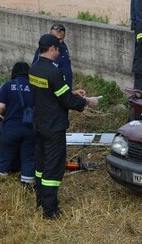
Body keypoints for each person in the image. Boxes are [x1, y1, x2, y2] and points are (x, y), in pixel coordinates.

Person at [29, 34, 100, 219]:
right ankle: (50, 210)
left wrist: (72, 92)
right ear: (52, 48)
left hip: (38, 124)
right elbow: (67, 101)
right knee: (53, 168)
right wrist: (86, 101)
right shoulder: (54, 72)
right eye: (58, 49)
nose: (59, 52)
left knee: (40, 165)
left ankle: (40, 200)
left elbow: (50, 93)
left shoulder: (34, 69)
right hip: (53, 127)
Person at [0, 62, 35, 185]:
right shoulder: (34, 87)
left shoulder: (7, 86)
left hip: (11, 127)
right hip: (30, 128)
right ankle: (27, 184)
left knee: (5, 155)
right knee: (28, 158)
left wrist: (5, 114)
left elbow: (0, 107)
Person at [32, 23, 73, 90]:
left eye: (60, 39)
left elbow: (67, 71)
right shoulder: (42, 50)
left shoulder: (64, 49)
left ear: (64, 36)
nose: (56, 42)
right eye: (54, 38)